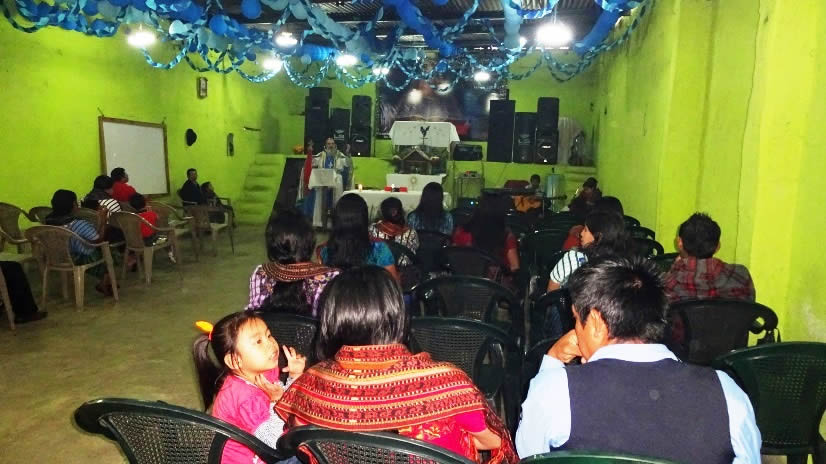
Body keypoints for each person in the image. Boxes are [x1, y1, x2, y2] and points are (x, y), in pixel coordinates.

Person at [516, 258, 761, 463]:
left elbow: (528, 455)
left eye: (576, 320)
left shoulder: (555, 390)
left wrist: (551, 363)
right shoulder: (726, 391)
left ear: (596, 323)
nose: (574, 331)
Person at [275, 267, 518, 464]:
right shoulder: (448, 384)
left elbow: (301, 441)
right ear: (398, 315)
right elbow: (493, 441)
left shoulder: (310, 385)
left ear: (331, 320)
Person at [193, 312, 305, 464]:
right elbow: (275, 444)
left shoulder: (261, 371)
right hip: (259, 456)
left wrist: (294, 376)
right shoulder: (245, 398)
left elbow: (284, 397)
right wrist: (277, 401)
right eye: (258, 341)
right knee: (311, 450)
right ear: (234, 360)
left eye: (268, 335)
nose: (271, 343)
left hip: (266, 447)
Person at [246, 210, 339, 315]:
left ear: (272, 245)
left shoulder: (261, 273)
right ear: (310, 242)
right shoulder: (332, 278)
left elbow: (252, 315)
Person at [665, 213, 755, 302]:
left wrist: (674, 268)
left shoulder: (668, 284)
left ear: (679, 243)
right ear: (718, 247)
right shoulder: (741, 276)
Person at [45, 189, 115, 296]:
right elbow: (97, 239)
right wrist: (103, 221)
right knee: (107, 252)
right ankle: (105, 281)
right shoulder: (77, 223)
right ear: (73, 204)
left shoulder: (47, 221)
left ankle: (106, 280)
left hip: (57, 257)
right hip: (79, 259)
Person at [317, 194, 400, 281]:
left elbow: (324, 283)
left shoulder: (326, 250)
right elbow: (392, 283)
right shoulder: (379, 249)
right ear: (364, 219)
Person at [547, 210, 631, 292]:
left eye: (586, 230)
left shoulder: (574, 259)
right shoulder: (625, 264)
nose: (581, 233)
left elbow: (552, 290)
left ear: (598, 237)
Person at [452, 194, 519, 275]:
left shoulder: (506, 237)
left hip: (493, 279)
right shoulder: (462, 233)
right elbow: (453, 260)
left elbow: (514, 267)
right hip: (468, 279)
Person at [304, 137, 351, 228]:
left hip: (336, 182)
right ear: (325, 145)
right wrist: (310, 152)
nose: (330, 146)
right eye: (329, 144)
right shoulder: (321, 155)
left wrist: (348, 153)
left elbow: (347, 163)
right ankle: (320, 222)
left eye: (332, 144)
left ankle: (335, 223)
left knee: (336, 201)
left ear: (335, 145)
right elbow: (311, 162)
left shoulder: (339, 155)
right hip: (323, 181)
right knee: (321, 201)